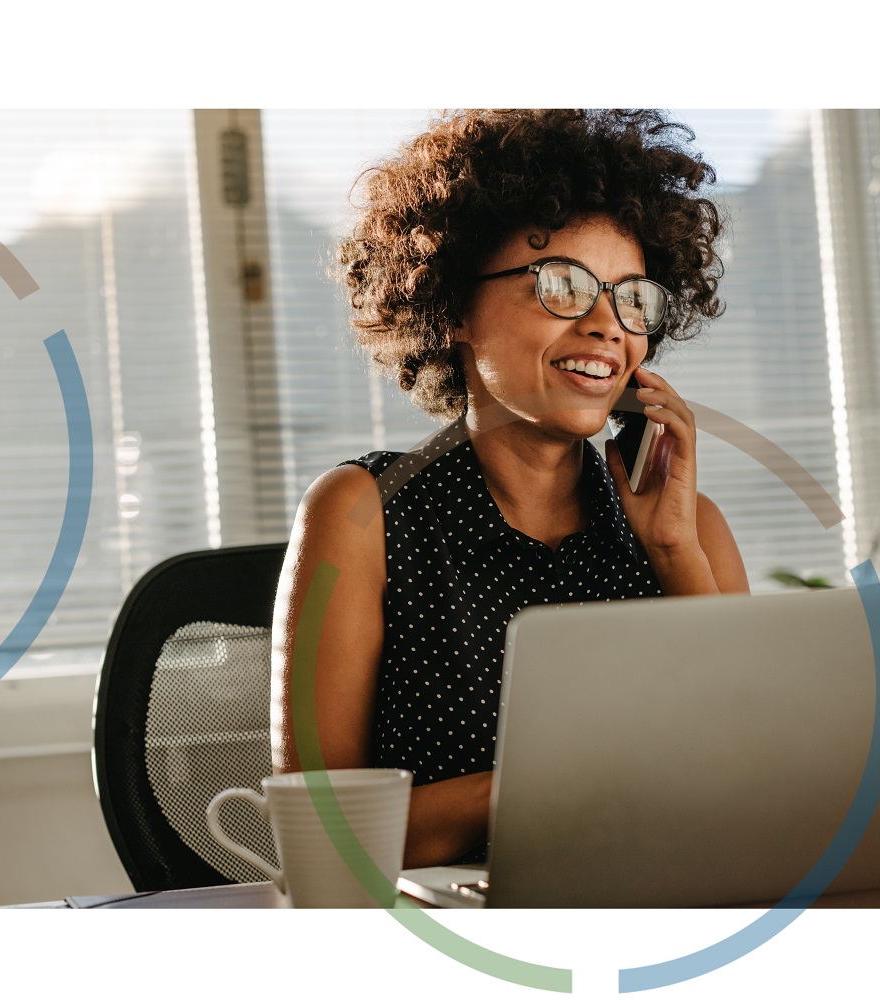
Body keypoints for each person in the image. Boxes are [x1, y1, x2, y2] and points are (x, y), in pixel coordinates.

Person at [270, 110, 748, 868]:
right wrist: (568, 778)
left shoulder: (690, 530)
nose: (606, 327)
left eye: (633, 299)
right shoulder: (363, 514)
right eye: (562, 285)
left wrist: (674, 550)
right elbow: (324, 837)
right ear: (454, 305)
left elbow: (755, 789)